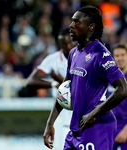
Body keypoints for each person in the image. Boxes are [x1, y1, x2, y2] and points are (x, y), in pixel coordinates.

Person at [43, 5, 127, 150]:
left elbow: (123, 89)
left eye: (76, 22)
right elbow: (64, 89)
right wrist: (50, 122)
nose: (71, 26)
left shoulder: (101, 55)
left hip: (97, 128)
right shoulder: (74, 53)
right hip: (76, 128)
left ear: (90, 27)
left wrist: (93, 113)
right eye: (71, 21)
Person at [26, 28, 76, 150]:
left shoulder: (83, 58)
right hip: (60, 113)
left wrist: (60, 80)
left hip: (79, 112)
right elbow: (31, 81)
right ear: (59, 44)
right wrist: (54, 84)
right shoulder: (53, 59)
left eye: (70, 42)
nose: (68, 46)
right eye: (64, 44)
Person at [106, 44, 127, 150]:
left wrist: (125, 132)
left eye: (123, 55)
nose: (120, 58)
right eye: (117, 56)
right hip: (109, 132)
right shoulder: (108, 79)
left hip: (124, 131)